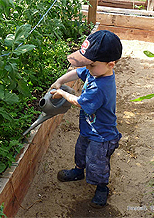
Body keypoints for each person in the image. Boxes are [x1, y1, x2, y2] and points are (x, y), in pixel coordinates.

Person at [50, 30, 122, 208]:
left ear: (110, 64)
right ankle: (78, 171)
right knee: (81, 151)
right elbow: (78, 72)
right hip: (90, 129)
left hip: (102, 136)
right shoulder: (96, 71)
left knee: (97, 162)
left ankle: (101, 187)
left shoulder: (100, 87)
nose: (87, 68)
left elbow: (78, 102)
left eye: (91, 65)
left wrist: (61, 92)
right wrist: (59, 81)